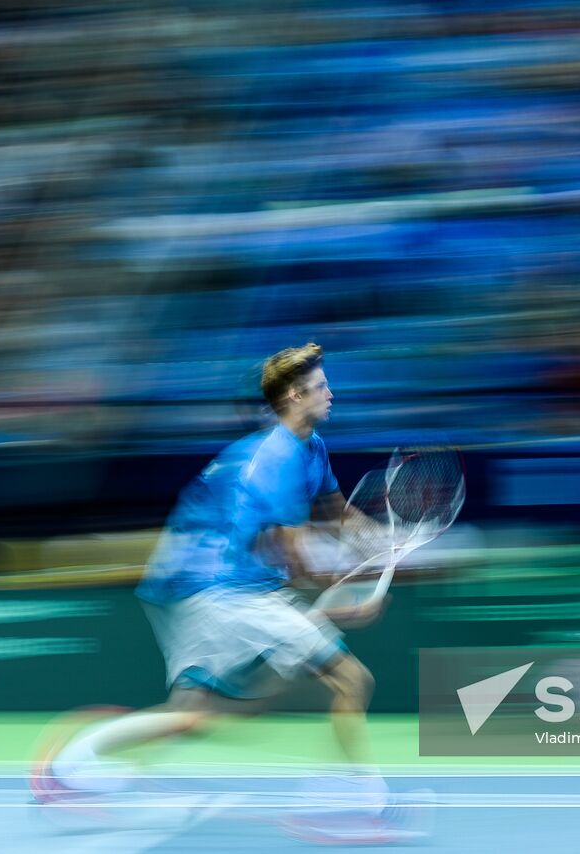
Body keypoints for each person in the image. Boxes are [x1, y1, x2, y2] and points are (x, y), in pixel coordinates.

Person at [30, 343, 410, 840]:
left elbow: (337, 513)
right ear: (295, 396)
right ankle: (361, 800)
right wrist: (346, 601)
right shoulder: (275, 461)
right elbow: (297, 559)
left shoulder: (309, 448)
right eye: (320, 387)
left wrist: (385, 541)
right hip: (221, 590)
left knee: (195, 715)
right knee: (349, 679)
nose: (330, 394)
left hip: (202, 584)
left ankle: (70, 765)